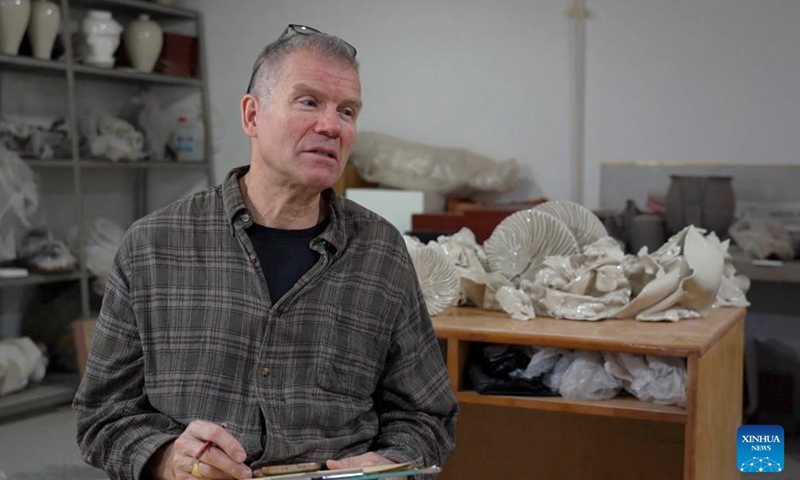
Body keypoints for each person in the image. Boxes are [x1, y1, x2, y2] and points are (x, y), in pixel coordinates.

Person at [73, 24, 458, 480]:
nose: (332, 126)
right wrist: (166, 460)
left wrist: (390, 461)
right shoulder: (154, 246)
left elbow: (426, 415)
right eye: (309, 102)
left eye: (348, 111)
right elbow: (102, 415)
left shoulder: (381, 252)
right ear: (252, 116)